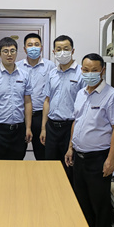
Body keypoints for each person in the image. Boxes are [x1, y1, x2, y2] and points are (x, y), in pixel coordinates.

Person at [64, 54, 114, 227]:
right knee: (82, 201)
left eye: (94, 70)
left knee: (99, 203)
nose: (90, 74)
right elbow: (77, 121)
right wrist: (71, 147)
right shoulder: (81, 93)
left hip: (98, 158)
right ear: (81, 70)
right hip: (79, 156)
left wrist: (111, 159)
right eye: (86, 70)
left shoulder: (112, 96)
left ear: (102, 71)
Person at [40, 35, 85, 177]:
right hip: (52, 127)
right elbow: (47, 101)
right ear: (53, 52)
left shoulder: (81, 73)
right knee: (50, 168)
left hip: (70, 127)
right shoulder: (52, 73)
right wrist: (43, 128)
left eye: (66, 49)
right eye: (58, 49)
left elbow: (85, 106)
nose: (62, 52)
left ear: (73, 51)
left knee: (69, 168)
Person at [0, 37, 33, 160]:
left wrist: (28, 128)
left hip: (19, 130)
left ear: (17, 52)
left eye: (12, 51)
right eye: (5, 51)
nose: (9, 54)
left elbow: (28, 102)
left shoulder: (24, 75)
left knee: (17, 166)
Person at [17, 33, 54, 160]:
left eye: (36, 45)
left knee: (42, 155)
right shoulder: (17, 67)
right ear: (24, 48)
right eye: (30, 45)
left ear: (41, 47)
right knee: (17, 153)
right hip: (21, 117)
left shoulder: (50, 66)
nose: (33, 48)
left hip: (41, 116)